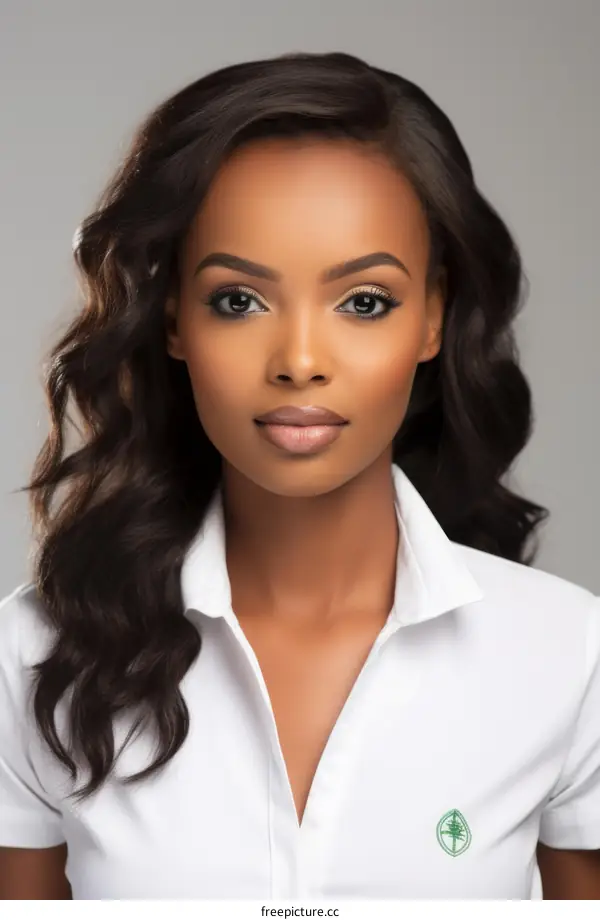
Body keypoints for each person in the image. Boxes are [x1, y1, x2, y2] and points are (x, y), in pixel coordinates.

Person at [0, 50, 598, 901]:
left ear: (433, 316)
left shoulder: (569, 654)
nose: (300, 360)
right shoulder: (34, 655)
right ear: (173, 320)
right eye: (238, 300)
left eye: (364, 302)